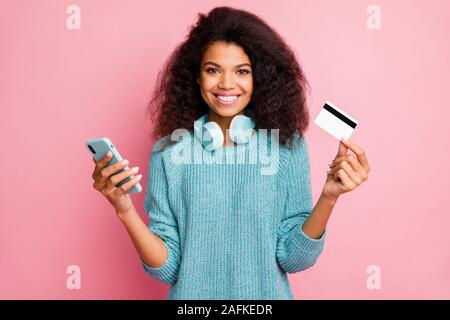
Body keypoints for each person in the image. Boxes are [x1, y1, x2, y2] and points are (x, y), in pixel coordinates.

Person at [91, 6, 370, 300]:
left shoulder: (287, 146)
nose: (226, 83)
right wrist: (124, 209)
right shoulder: (169, 152)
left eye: (242, 71)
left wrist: (329, 196)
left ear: (259, 78)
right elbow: (168, 268)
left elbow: (294, 258)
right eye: (213, 70)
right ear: (196, 77)